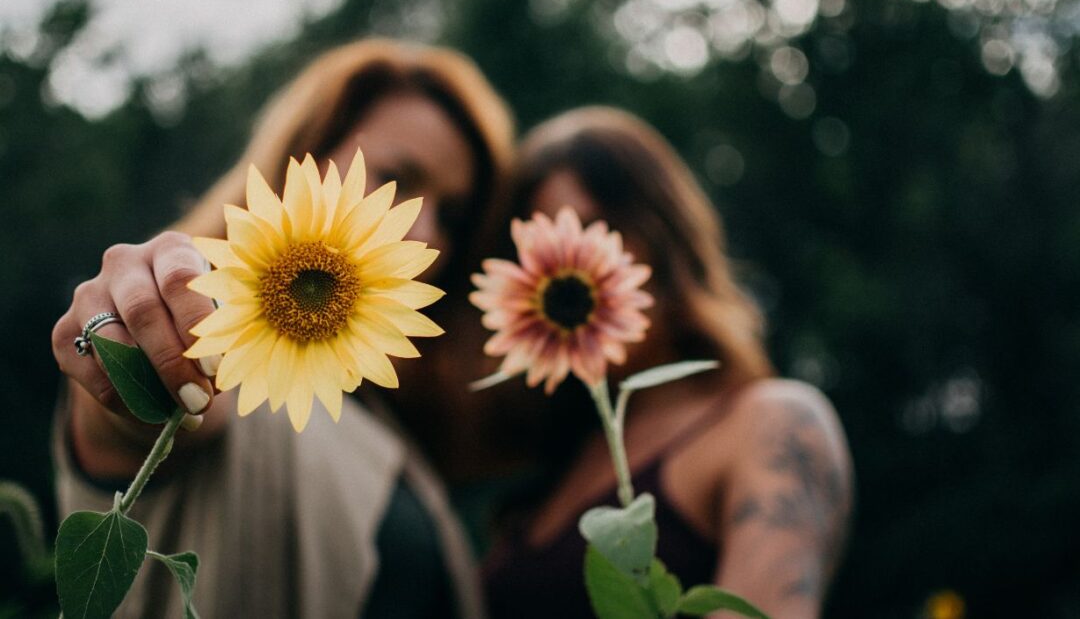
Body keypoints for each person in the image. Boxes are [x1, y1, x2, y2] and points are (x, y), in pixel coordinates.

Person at [50, 38, 515, 618]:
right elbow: (162, 413)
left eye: (452, 214)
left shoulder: (376, 410)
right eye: (397, 177)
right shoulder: (217, 348)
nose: (423, 228)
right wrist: (124, 343)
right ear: (305, 157)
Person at [482, 107, 854, 619]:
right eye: (534, 252)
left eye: (594, 231)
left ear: (665, 236)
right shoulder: (556, 465)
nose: (566, 266)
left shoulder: (769, 425)